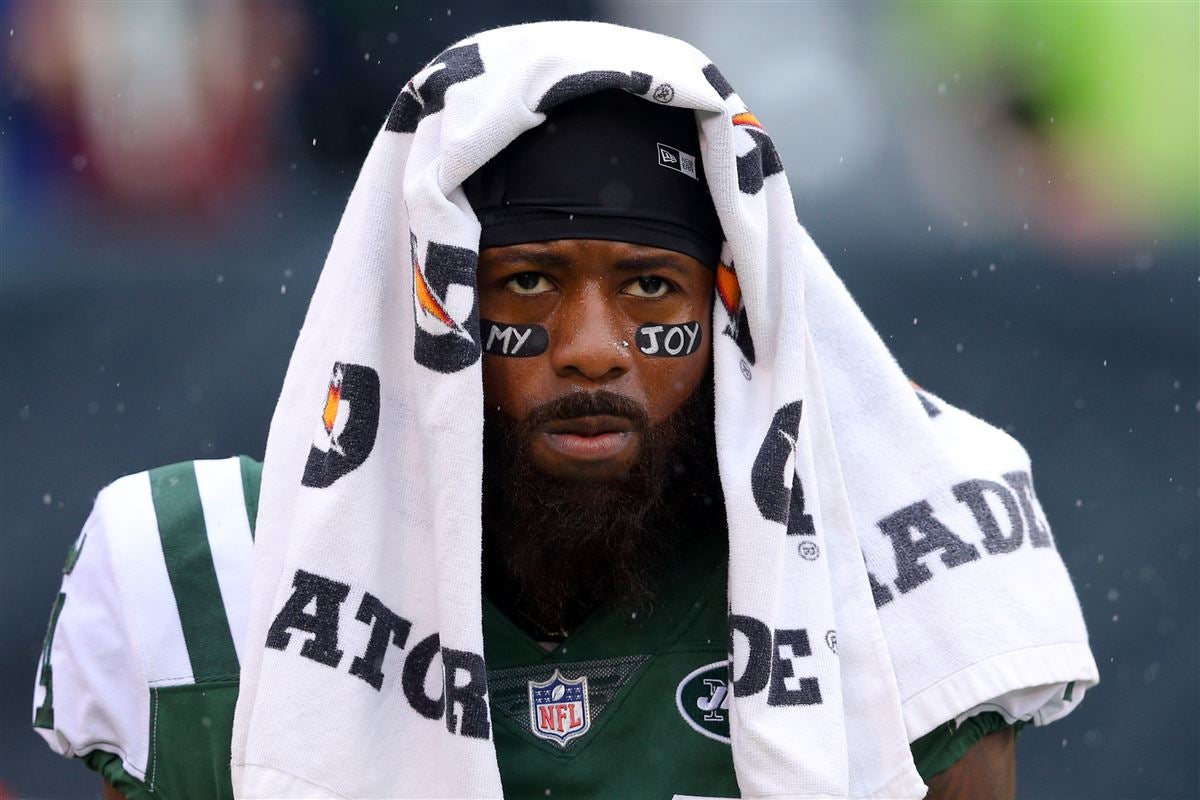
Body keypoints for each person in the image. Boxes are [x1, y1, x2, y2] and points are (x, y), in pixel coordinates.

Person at [33, 22, 1094, 800]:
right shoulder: (205, 570)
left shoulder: (913, 549)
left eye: (649, 288)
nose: (592, 345)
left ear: (731, 314)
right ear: (432, 304)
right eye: (528, 281)